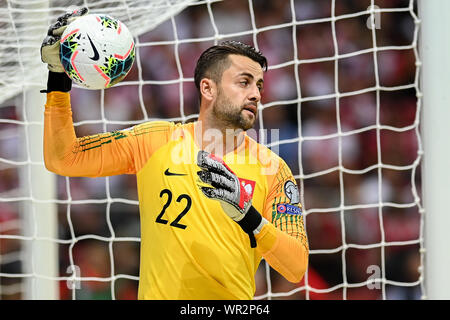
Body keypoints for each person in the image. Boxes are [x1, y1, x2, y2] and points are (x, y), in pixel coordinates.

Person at [40, 8, 309, 300]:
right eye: (244, 82)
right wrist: (58, 79)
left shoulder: (273, 168)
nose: (256, 94)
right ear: (208, 88)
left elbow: (296, 267)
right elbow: (64, 158)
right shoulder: (154, 140)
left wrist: (250, 218)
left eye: (259, 85)